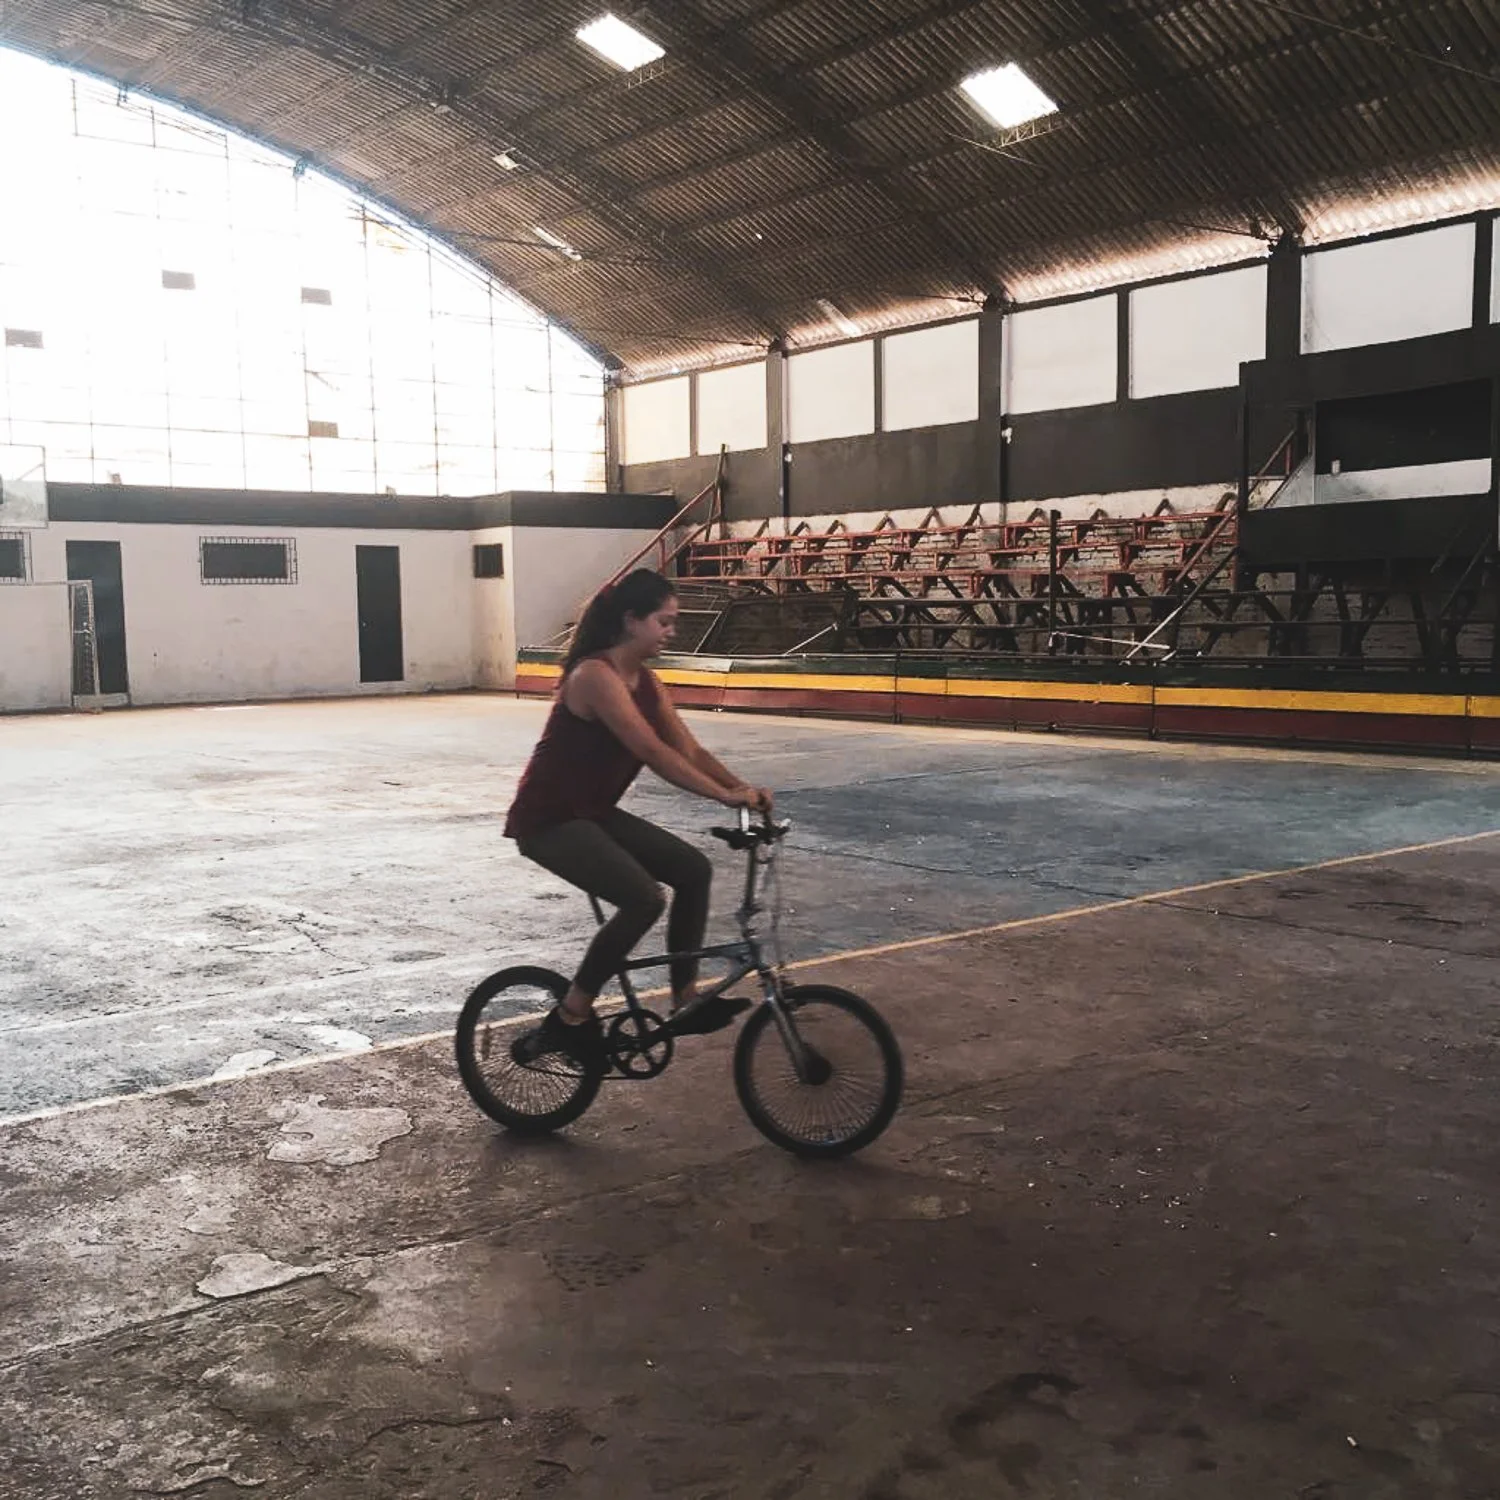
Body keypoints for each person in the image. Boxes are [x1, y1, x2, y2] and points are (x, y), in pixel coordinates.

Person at [504, 568, 774, 1061]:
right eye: (663, 622)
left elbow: (687, 748)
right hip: (549, 819)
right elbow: (651, 751)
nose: (671, 631)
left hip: (593, 812)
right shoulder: (594, 676)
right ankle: (571, 1015)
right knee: (643, 899)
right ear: (631, 620)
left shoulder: (646, 681)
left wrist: (740, 787)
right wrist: (723, 797)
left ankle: (685, 998)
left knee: (693, 870)